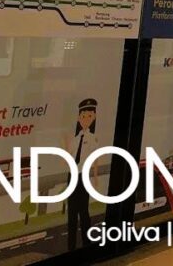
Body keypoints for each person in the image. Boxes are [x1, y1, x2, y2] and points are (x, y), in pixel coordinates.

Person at [65, 98, 99, 250]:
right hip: (72, 175)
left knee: (84, 211)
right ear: (79, 118)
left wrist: (95, 178)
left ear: (94, 117)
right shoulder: (75, 138)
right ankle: (71, 246)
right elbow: (69, 154)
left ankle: (87, 243)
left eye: (89, 116)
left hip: (84, 177)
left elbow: (95, 158)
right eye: (83, 116)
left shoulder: (92, 139)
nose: (86, 119)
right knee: (72, 212)